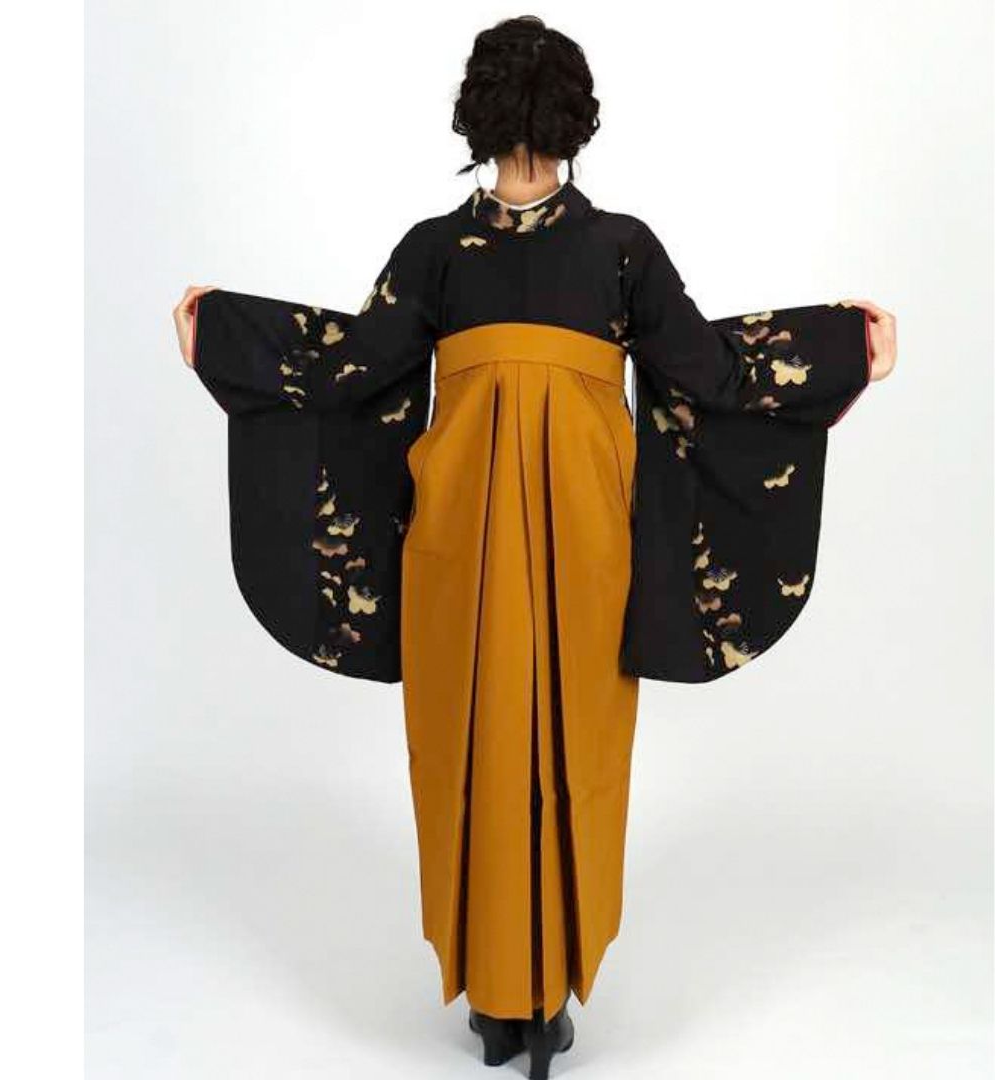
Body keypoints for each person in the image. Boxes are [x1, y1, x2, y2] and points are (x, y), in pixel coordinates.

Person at [172, 16, 897, 1079]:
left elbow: (348, 367)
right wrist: (843, 345)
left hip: (510, 543)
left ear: (478, 117)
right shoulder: (590, 249)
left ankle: (514, 999)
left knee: (510, 742)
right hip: (534, 539)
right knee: (536, 743)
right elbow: (705, 368)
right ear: (573, 119)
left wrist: (222, 330)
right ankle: (528, 994)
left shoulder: (468, 249)